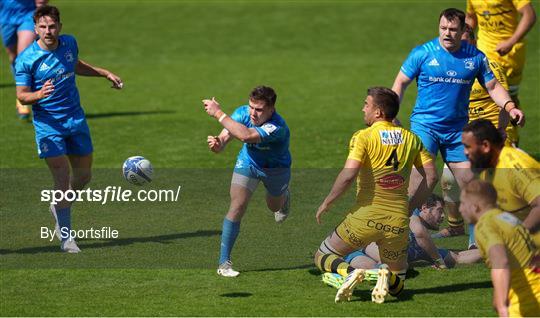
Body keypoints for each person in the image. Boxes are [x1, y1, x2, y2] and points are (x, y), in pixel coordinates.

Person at [392, 8, 525, 248]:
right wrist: (391, 113)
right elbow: (401, 82)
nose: (447, 33)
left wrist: (509, 106)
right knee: (426, 177)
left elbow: (493, 86)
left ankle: (476, 243)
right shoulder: (423, 53)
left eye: (453, 29)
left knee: (470, 183)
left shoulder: (475, 57)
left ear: (464, 30)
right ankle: (397, 228)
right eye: (443, 28)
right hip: (426, 126)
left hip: (457, 132)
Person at [15, 5, 123, 253]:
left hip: (76, 120)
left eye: (52, 26)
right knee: (62, 178)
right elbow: (22, 96)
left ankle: (58, 206)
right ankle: (66, 238)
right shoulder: (27, 59)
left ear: (60, 27)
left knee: (83, 177)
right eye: (42, 27)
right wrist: (39, 94)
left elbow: (75, 65)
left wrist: (105, 73)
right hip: (48, 126)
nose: (48, 31)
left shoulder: (69, 43)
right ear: (36, 29)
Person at [314, 87, 436, 303]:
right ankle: (383, 273)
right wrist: (409, 208)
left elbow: (348, 175)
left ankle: (350, 271)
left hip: (365, 217)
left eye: (366, 104)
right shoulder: (413, 139)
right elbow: (432, 177)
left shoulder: (363, 137)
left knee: (323, 255)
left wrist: (327, 201)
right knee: (398, 286)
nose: (363, 109)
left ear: (378, 112)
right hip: (398, 221)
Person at [202, 85, 291, 278]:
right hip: (248, 163)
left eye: (259, 109)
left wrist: (218, 112)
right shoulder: (243, 113)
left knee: (274, 206)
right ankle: (224, 263)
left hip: (276, 170)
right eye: (251, 107)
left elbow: (246, 135)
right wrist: (218, 144)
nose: (253, 113)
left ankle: (283, 197)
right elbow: (226, 137)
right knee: (237, 206)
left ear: (271, 109)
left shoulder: (277, 126)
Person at [437, 24, 513, 242]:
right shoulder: (449, 68)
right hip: (460, 135)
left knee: (479, 185)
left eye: (467, 42)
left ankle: (479, 236)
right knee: (448, 180)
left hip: (485, 136)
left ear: (474, 43)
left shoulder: (488, 67)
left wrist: (500, 130)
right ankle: (455, 227)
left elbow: (503, 102)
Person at [336, 194, 481, 272]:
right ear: (424, 208)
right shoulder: (409, 214)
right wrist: (438, 261)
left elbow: (459, 257)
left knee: (457, 257)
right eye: (440, 211)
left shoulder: (422, 243)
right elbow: (419, 233)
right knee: (375, 264)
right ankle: (346, 272)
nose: (443, 217)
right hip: (364, 247)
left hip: (408, 251)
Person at [459, 180, 539, 317]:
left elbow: (501, 262)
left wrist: (502, 306)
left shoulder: (485, 224)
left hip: (526, 300)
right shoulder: (506, 217)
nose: (460, 209)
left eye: (463, 203)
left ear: (475, 207)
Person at [466, 0, 537, 147]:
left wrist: (511, 42)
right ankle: (480, 141)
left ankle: (509, 140)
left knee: (508, 99)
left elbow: (529, 15)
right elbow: (471, 18)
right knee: (481, 96)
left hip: (509, 55)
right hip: (484, 50)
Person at [462, 119, 540, 247]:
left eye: (468, 147)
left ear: (485, 146)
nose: (465, 152)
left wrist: (519, 237)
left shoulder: (514, 166)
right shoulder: (487, 167)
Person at [1, 0, 48, 119]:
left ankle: (22, 95)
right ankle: (22, 88)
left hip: (28, 14)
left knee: (23, 57)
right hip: (5, 16)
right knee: (13, 57)